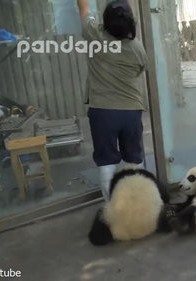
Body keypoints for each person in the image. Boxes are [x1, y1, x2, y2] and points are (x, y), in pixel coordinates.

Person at [77, 0, 148, 199]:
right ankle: (140, 203)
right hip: (131, 112)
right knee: (134, 158)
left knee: (107, 161)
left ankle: (112, 209)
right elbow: (141, 69)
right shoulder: (137, 48)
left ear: (105, 22)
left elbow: (83, 8)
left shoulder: (94, 35)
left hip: (103, 112)